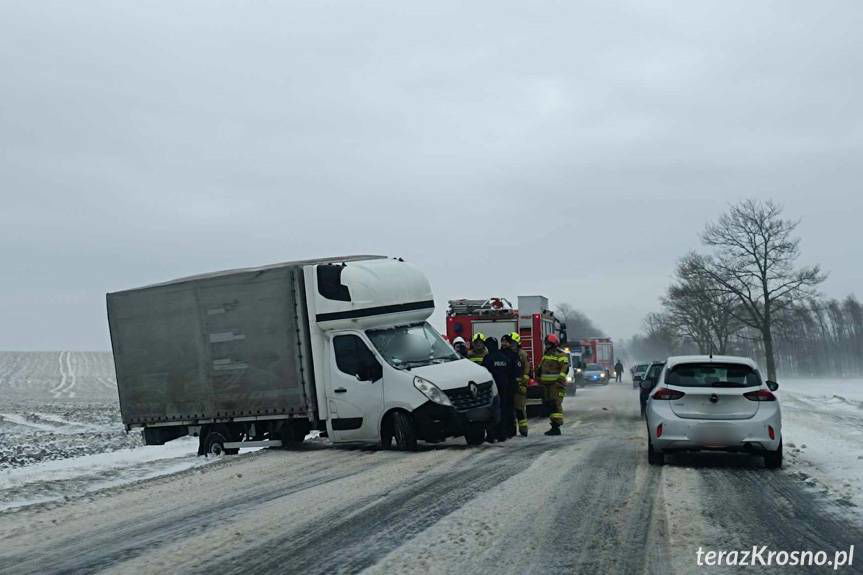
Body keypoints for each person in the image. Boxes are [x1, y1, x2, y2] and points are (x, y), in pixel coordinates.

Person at [481, 337, 516, 442]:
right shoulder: (505, 358)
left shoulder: (488, 358)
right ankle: (503, 434)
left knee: (492, 411)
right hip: (505, 388)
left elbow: (484, 373)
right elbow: (511, 373)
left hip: (493, 389)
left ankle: (492, 435)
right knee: (504, 410)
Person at [537, 334, 570, 436]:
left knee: (555, 405)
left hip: (556, 385)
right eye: (546, 344)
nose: (546, 346)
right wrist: (538, 374)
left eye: (548, 344)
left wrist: (560, 379)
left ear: (553, 344)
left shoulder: (560, 354)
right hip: (546, 385)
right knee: (550, 405)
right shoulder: (546, 354)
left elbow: (565, 368)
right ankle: (553, 426)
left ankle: (556, 427)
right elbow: (542, 366)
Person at [502, 332, 529, 437]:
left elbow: (526, 369)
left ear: (517, 343)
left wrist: (523, 382)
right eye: (510, 343)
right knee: (509, 409)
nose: (511, 345)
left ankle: (523, 429)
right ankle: (511, 430)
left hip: (519, 385)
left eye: (513, 343)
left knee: (519, 408)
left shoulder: (522, 354)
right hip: (509, 386)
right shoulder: (506, 353)